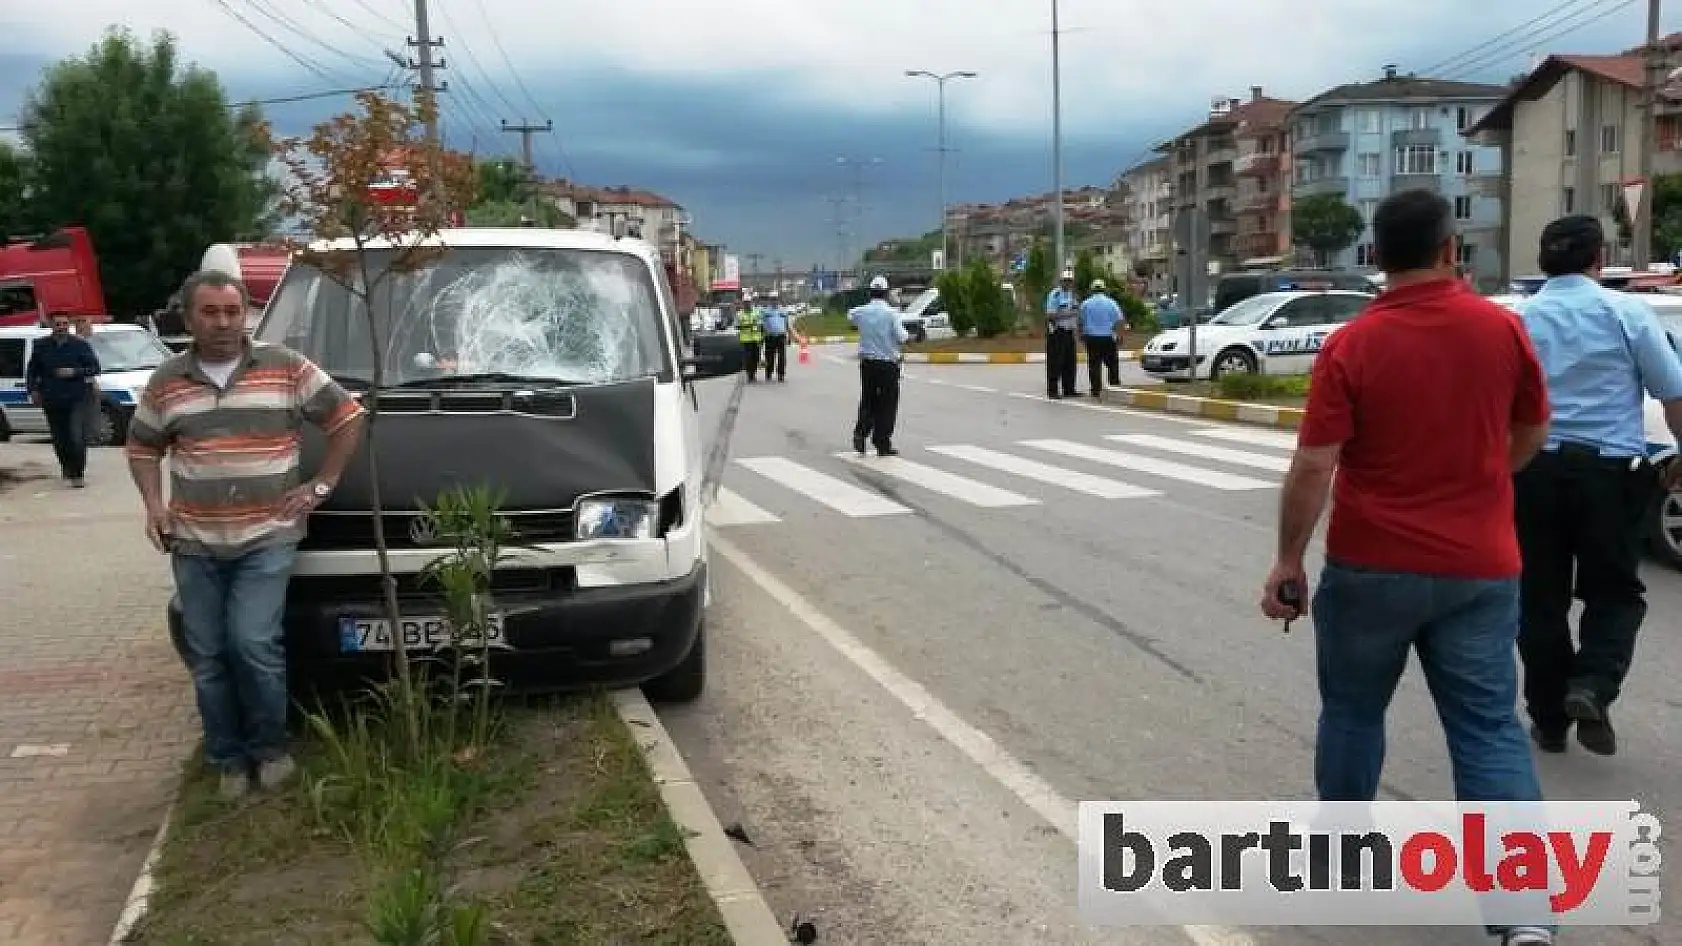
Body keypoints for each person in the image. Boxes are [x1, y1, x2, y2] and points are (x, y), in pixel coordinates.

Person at [1259, 190, 1555, 946]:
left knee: (1354, 712)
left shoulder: (1352, 345)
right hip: (1482, 567)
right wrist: (1484, 478)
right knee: (1489, 729)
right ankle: (1523, 914)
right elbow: (1531, 431)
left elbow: (1313, 466)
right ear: (1452, 250)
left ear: (1376, 258)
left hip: (1370, 567)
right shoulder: (1502, 330)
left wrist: (1289, 559)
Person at [125, 270, 366, 800]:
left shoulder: (283, 367)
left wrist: (321, 484)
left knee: (253, 643)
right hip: (194, 542)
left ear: (246, 315)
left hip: (268, 536)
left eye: (232, 312)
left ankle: (271, 749)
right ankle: (228, 759)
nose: (223, 323)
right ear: (188, 319)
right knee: (209, 655)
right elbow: (142, 446)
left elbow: (347, 416)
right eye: (209, 313)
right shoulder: (166, 381)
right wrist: (153, 506)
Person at [1510, 215, 1682, 758]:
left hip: (1534, 473)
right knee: (1615, 592)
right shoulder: (1626, 312)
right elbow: (1672, 393)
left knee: (1539, 599)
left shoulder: (1521, 320)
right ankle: (1591, 685)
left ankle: (1550, 720)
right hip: (1610, 475)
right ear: (1598, 258)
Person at [25, 310, 101, 488]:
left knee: (76, 436)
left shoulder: (79, 345)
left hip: (77, 397)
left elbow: (95, 368)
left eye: (65, 324)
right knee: (60, 438)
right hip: (51, 397)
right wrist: (33, 390)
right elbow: (32, 371)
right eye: (58, 324)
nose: (62, 328)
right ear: (51, 325)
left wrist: (75, 372)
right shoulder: (41, 345)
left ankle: (77, 474)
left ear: (69, 325)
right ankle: (66, 467)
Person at [849, 275, 907, 456]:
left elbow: (850, 316)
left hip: (867, 364)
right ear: (886, 293)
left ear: (870, 292)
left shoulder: (860, 312)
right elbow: (902, 337)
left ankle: (861, 433)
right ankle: (882, 442)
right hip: (888, 365)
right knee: (887, 404)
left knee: (868, 400)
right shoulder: (891, 314)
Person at [1079, 278, 1126, 398]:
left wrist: (1081, 335)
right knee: (1112, 364)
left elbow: (1080, 321)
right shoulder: (1111, 302)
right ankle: (1114, 387)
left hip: (1092, 337)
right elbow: (1120, 320)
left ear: (1092, 290)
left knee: (1094, 364)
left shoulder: (1085, 303)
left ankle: (1096, 389)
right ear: (1104, 290)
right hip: (1108, 337)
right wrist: (1120, 336)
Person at [1044, 270, 1079, 398]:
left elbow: (1077, 311)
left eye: (1070, 281)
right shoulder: (1055, 294)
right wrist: (1067, 314)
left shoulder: (1073, 295)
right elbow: (1050, 315)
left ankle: (1069, 389)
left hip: (1069, 332)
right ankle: (1053, 391)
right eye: (1065, 280)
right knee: (1055, 362)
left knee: (1070, 362)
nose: (1068, 283)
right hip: (1057, 332)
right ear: (1061, 281)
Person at [72, 315, 104, 446]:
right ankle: (88, 437)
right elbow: (86, 366)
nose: (92, 329)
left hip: (86, 383)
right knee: (87, 413)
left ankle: (89, 436)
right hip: (83, 386)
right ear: (81, 326)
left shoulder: (83, 342)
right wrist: (92, 381)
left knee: (89, 413)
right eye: (89, 325)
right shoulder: (79, 343)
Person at [760, 290, 790, 383]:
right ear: (770, 300)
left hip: (781, 336)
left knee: (782, 357)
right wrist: (762, 337)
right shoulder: (765, 312)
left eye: (776, 299)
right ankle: (768, 373)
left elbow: (787, 324)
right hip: (770, 337)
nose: (774, 301)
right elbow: (762, 325)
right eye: (772, 299)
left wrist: (789, 336)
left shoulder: (783, 311)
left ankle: (781, 374)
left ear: (778, 300)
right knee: (770, 357)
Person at [736, 291, 764, 383]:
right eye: (745, 302)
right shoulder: (740, 314)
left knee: (756, 357)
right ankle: (749, 374)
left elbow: (760, 323)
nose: (747, 304)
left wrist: (761, 334)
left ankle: (754, 372)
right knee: (748, 358)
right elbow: (737, 325)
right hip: (746, 339)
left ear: (751, 302)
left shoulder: (756, 312)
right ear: (743, 303)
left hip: (756, 338)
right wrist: (748, 325)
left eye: (748, 302)